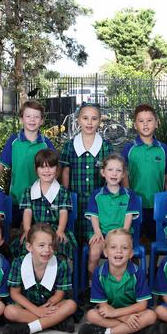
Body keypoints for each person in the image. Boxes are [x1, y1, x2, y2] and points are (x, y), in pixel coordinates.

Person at [77, 228, 157, 334]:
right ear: (105, 252)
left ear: (131, 253)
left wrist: (115, 313)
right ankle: (138, 330)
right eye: (113, 247)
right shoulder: (99, 273)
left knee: (151, 315)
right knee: (91, 315)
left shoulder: (137, 272)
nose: (118, 251)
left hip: (132, 312)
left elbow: (142, 305)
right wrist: (124, 318)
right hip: (110, 311)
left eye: (124, 248)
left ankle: (106, 333)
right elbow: (103, 306)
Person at [2, 223, 77, 334]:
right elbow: (15, 294)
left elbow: (59, 294)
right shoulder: (18, 263)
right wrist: (37, 310)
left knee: (71, 305)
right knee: (9, 311)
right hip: (28, 306)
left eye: (51, 245)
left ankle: (29, 328)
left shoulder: (61, 264)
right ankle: (56, 322)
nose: (47, 250)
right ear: (29, 247)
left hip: (51, 305)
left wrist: (46, 308)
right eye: (41, 245)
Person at [60, 102, 113, 247]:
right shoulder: (69, 146)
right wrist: (66, 195)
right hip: (76, 201)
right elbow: (65, 171)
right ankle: (78, 270)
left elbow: (113, 173)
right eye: (85, 118)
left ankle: (92, 270)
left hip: (98, 204)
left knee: (94, 241)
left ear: (100, 121)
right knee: (75, 241)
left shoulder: (106, 146)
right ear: (78, 120)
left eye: (94, 118)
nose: (89, 122)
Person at [122, 104, 167, 241]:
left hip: (158, 203)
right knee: (133, 239)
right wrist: (128, 195)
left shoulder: (163, 149)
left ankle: (156, 263)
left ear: (156, 123)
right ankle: (133, 262)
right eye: (141, 121)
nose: (145, 124)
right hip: (135, 203)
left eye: (149, 120)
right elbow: (123, 173)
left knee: (158, 238)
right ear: (135, 125)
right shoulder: (129, 149)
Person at [0, 101, 55, 227]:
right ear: (21, 119)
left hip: (40, 200)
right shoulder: (14, 141)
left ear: (42, 121)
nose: (32, 120)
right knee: (15, 232)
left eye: (36, 117)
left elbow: (55, 168)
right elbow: (1, 165)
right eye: (28, 116)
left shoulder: (46, 143)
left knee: (38, 232)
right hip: (17, 198)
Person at [85, 154, 140, 276]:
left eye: (118, 170)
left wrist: (124, 233)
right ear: (103, 172)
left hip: (122, 233)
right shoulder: (96, 195)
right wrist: (97, 231)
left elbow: (129, 216)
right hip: (102, 234)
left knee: (123, 255)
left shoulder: (129, 195)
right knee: (93, 254)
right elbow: (94, 215)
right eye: (110, 170)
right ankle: (94, 283)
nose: (114, 174)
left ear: (123, 174)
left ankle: (122, 284)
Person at [13, 149, 73, 260]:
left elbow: (63, 212)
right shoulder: (29, 191)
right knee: (25, 245)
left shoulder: (62, 192)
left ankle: (58, 273)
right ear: (36, 169)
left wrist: (60, 229)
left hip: (55, 229)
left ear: (57, 168)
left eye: (50, 167)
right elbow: (27, 212)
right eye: (42, 167)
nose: (46, 171)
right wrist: (27, 229)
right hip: (35, 229)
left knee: (60, 245)